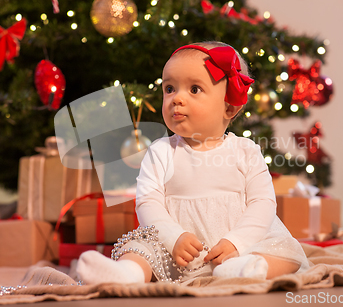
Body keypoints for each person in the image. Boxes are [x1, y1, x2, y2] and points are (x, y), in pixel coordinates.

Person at [76, 41, 309, 285]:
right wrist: (172, 237)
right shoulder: (162, 151)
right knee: (140, 247)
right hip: (178, 250)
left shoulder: (245, 151)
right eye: (169, 88)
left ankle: (244, 268)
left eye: (194, 89)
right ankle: (127, 274)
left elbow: (263, 203)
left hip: (238, 245)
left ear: (229, 107)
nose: (177, 99)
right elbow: (148, 201)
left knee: (285, 251)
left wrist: (237, 242)